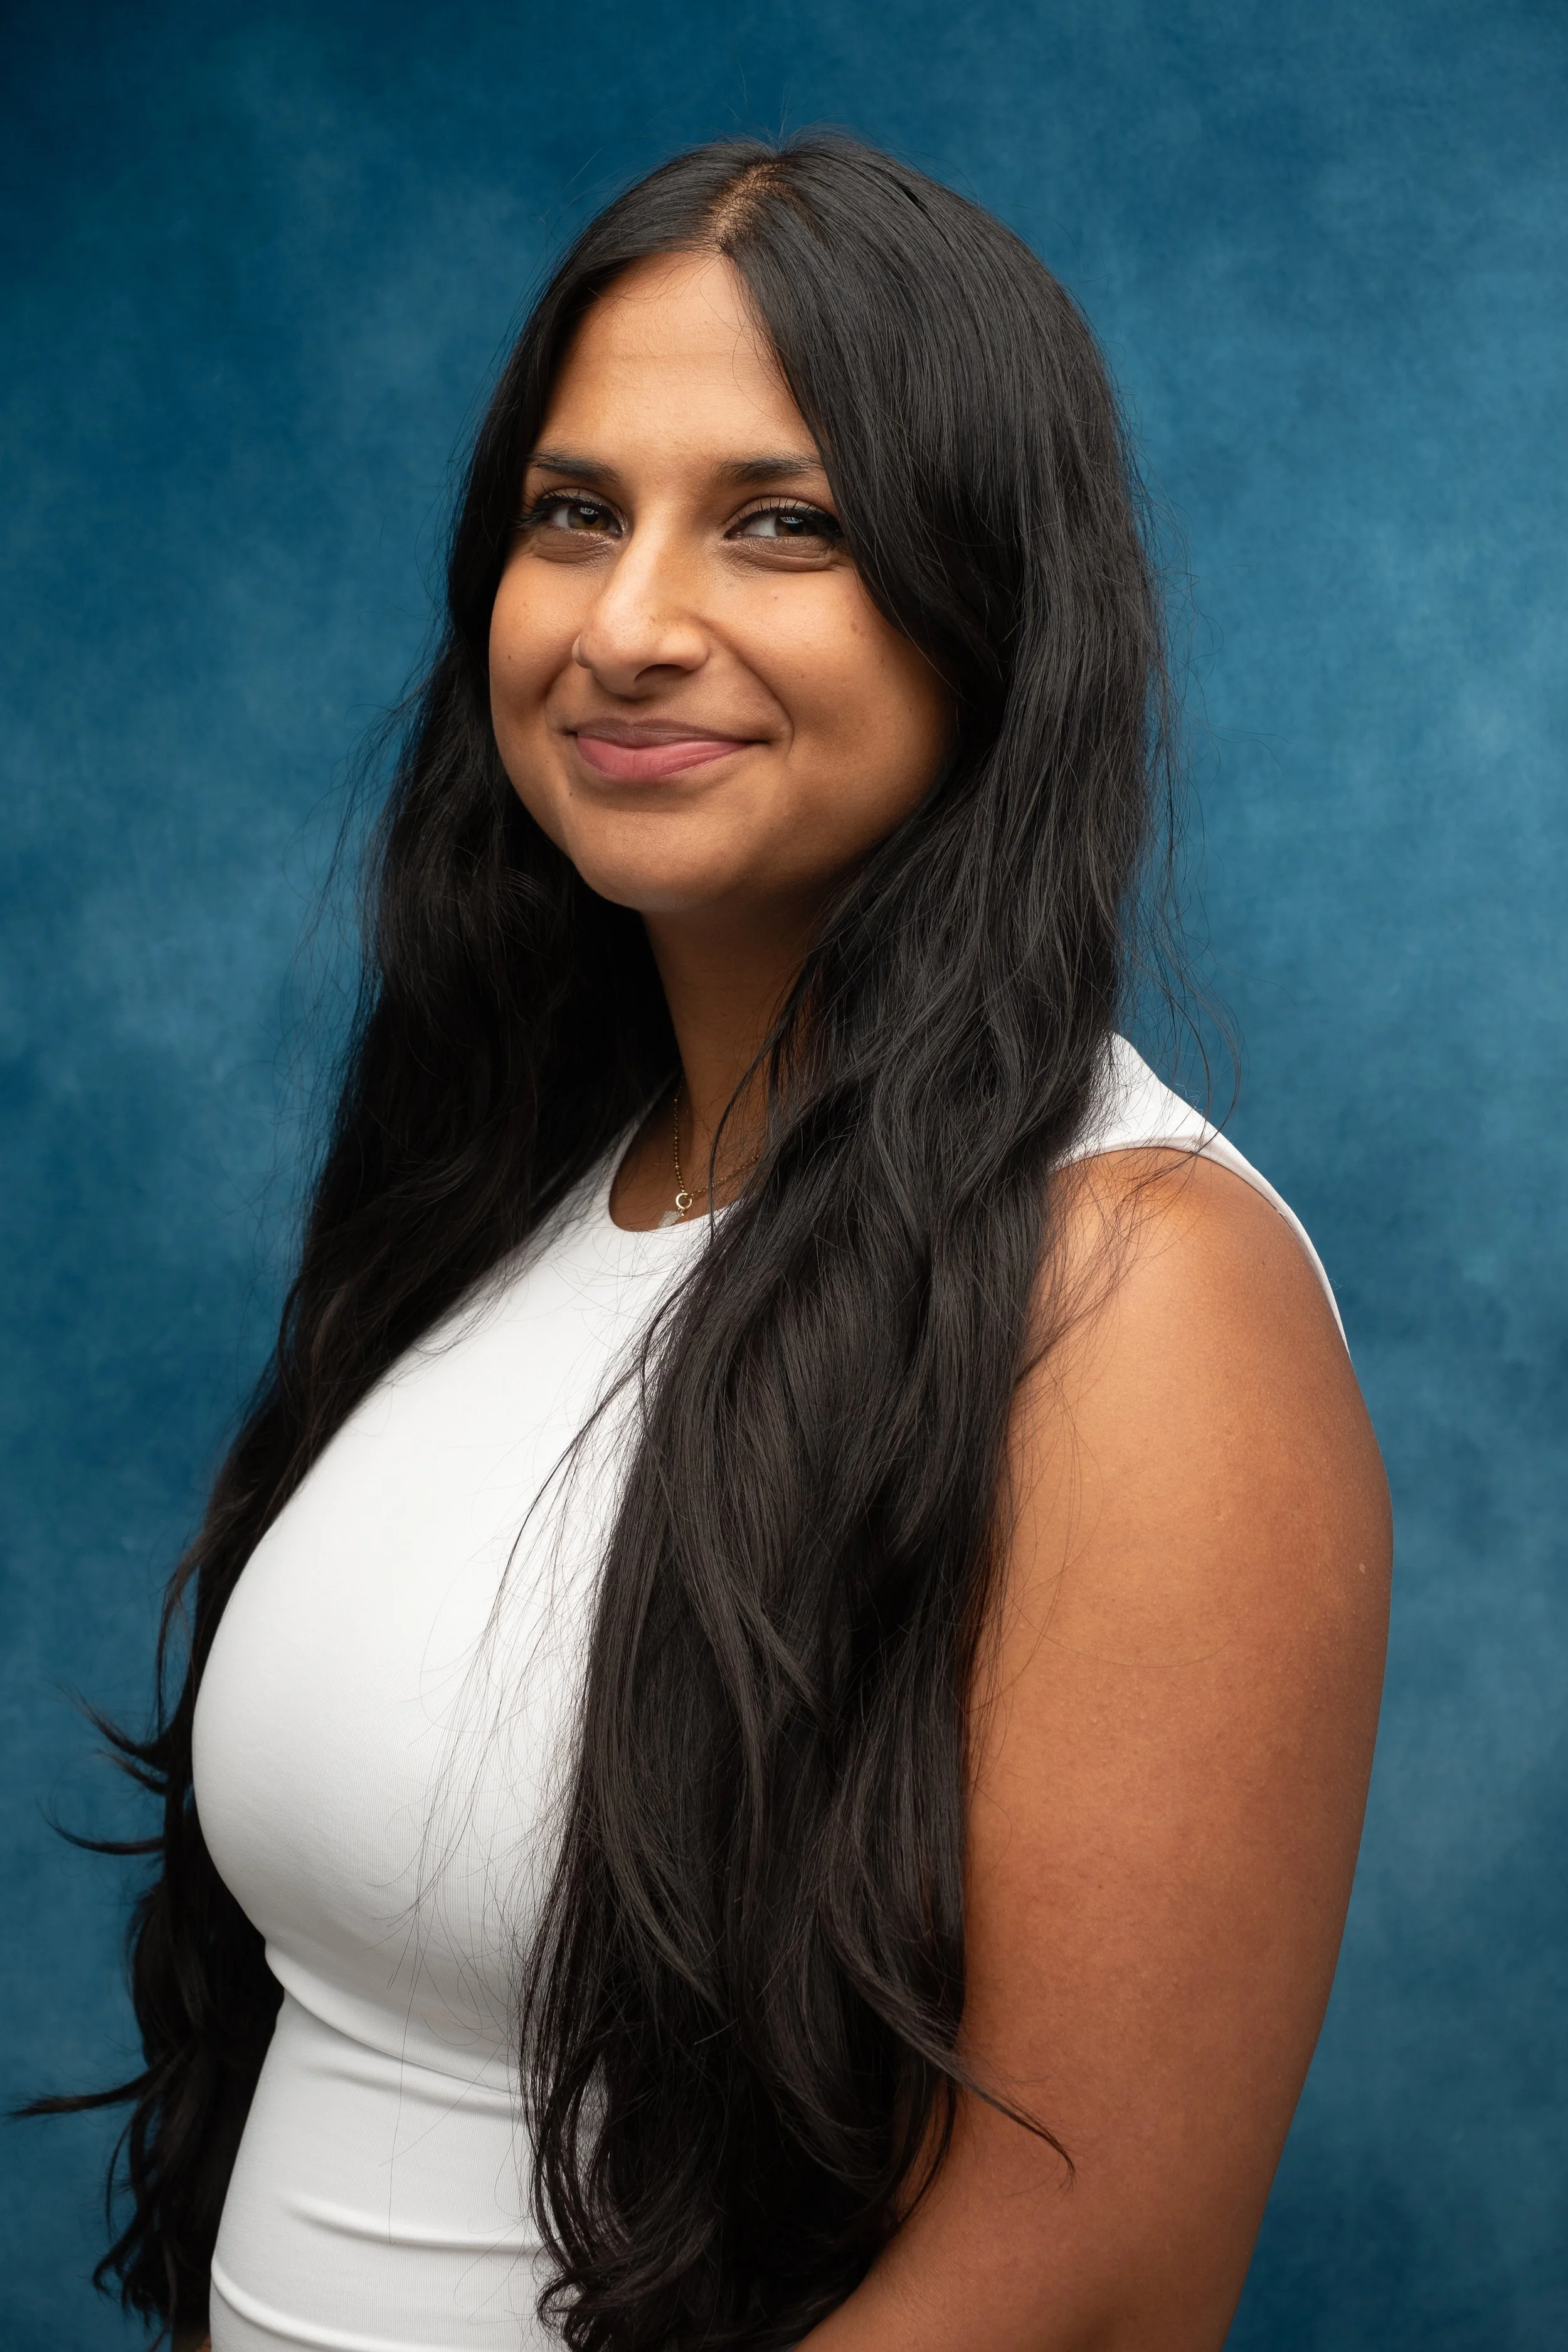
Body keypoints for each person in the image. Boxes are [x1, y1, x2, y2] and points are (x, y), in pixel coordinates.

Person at [48, 135, 1391, 2352]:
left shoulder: (1139, 1295)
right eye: (573, 513)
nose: (628, 621)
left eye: (784, 523)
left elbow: (1083, 2289)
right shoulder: (511, 1192)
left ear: (989, 608)